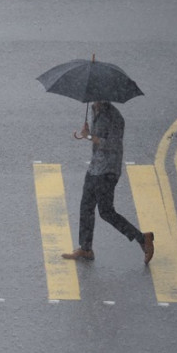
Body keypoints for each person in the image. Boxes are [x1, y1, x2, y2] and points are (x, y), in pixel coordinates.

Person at [62, 101, 154, 264]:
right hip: (94, 166)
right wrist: (88, 134)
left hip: (108, 170)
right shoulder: (93, 109)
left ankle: (142, 238)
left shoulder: (115, 117)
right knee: (86, 207)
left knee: (106, 212)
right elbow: (97, 140)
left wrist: (90, 137)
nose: (95, 100)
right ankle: (86, 248)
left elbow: (113, 145)